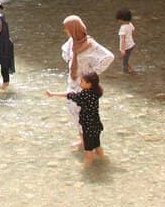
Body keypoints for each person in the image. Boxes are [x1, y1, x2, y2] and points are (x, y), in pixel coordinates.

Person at [61, 15, 113, 143]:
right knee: (73, 111)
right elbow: (65, 53)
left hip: (84, 85)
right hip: (72, 82)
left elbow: (108, 57)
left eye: (67, 28)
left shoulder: (91, 45)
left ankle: (89, 145)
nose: (65, 31)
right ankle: (82, 139)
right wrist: (71, 61)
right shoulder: (71, 41)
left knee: (84, 114)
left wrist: (92, 74)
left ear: (74, 29)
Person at [46, 72, 105, 163]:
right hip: (96, 124)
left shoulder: (85, 95)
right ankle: (103, 160)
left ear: (89, 84)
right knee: (97, 145)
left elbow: (69, 95)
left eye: (82, 81)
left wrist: (52, 94)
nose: (80, 83)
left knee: (88, 149)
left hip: (88, 127)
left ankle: (87, 166)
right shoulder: (96, 92)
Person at [117, 9, 136, 73]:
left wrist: (122, 49)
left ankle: (126, 73)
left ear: (121, 19)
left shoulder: (123, 28)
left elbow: (123, 39)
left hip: (126, 47)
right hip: (131, 44)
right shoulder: (130, 24)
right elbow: (133, 31)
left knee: (124, 62)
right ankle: (132, 70)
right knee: (126, 59)